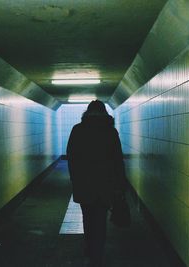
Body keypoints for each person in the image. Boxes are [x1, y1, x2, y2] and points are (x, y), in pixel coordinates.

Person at [67, 100, 127, 267]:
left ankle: (89, 246)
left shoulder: (78, 130)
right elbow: (117, 160)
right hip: (105, 184)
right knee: (100, 220)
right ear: (104, 113)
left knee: (88, 217)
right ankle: (97, 255)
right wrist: (120, 185)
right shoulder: (110, 131)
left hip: (84, 184)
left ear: (87, 113)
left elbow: (71, 157)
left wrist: (74, 179)